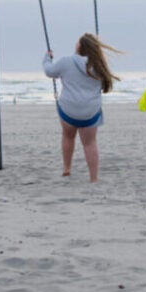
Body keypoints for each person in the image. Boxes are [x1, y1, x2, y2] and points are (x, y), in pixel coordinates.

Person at [43, 33, 121, 183]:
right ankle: (93, 177)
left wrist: (47, 58)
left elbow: (49, 71)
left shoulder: (66, 62)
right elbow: (106, 85)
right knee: (90, 143)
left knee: (68, 136)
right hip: (89, 113)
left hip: (68, 111)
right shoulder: (98, 66)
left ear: (79, 46)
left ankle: (67, 168)